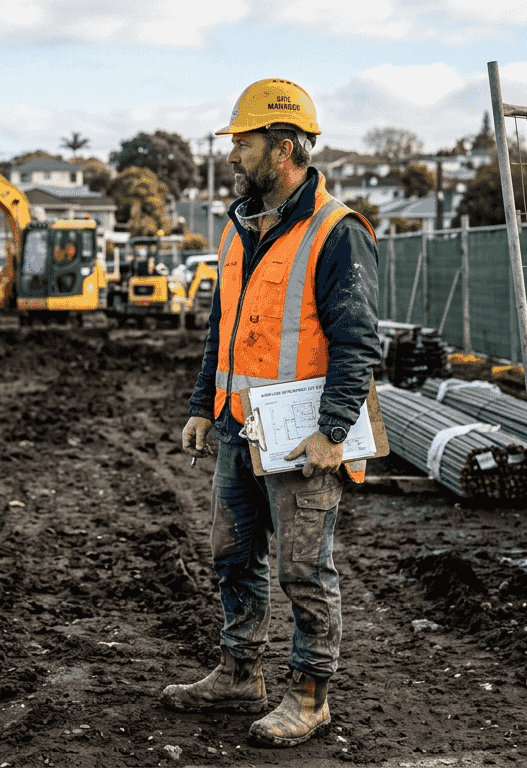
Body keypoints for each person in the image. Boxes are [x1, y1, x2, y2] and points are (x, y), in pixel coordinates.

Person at [161, 78, 382, 748]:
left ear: (283, 149)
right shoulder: (238, 227)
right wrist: (204, 405)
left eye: (244, 141)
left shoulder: (336, 233)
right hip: (238, 426)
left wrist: (333, 432)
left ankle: (311, 695)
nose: (232, 154)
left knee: (303, 571)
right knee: (231, 554)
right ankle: (239, 671)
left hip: (301, 435)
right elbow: (222, 328)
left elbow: (358, 341)